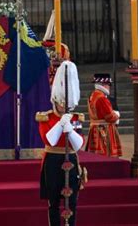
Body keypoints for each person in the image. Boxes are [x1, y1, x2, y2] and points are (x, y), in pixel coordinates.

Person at [36, 61, 85, 226]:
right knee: (54, 201)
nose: (63, 106)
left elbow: (78, 145)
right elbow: (48, 139)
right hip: (52, 160)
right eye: (61, 102)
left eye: (66, 103)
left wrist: (70, 130)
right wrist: (60, 124)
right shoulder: (46, 117)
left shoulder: (76, 118)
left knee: (72, 201)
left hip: (70, 159)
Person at [85, 73, 122, 157]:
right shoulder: (101, 98)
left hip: (95, 128)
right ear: (103, 85)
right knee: (105, 155)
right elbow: (110, 117)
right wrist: (117, 115)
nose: (109, 87)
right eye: (108, 84)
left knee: (95, 155)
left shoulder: (92, 95)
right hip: (103, 130)